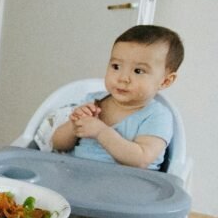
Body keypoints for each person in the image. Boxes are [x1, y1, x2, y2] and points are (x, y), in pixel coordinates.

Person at [51, 25, 183, 170]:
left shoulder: (157, 115)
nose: (123, 78)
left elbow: (141, 159)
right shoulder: (93, 101)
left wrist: (101, 132)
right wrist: (73, 125)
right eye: (116, 66)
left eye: (138, 71)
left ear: (165, 81)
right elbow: (58, 144)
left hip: (130, 184)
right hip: (78, 174)